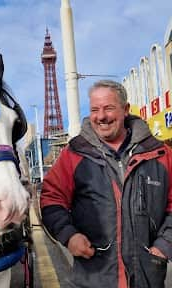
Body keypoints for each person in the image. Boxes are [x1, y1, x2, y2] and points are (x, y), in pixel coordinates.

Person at [40, 80, 172, 288]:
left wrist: (164, 245)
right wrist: (69, 235)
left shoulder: (161, 155)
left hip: (148, 278)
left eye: (109, 108)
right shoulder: (73, 154)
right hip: (92, 278)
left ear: (126, 109)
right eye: (94, 109)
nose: (101, 116)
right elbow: (51, 197)